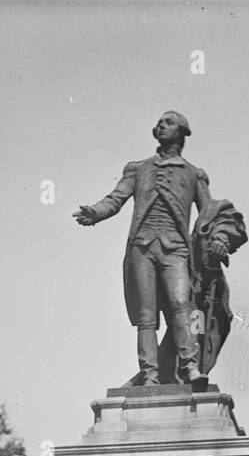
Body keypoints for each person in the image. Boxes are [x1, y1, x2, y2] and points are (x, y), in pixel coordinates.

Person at [73, 110, 223, 385]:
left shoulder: (193, 174)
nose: (160, 126)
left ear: (181, 132)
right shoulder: (138, 169)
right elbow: (115, 199)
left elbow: (208, 216)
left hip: (176, 248)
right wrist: (95, 212)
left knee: (182, 305)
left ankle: (190, 368)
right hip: (142, 247)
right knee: (146, 316)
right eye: (159, 123)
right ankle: (150, 375)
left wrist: (218, 240)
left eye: (168, 122)